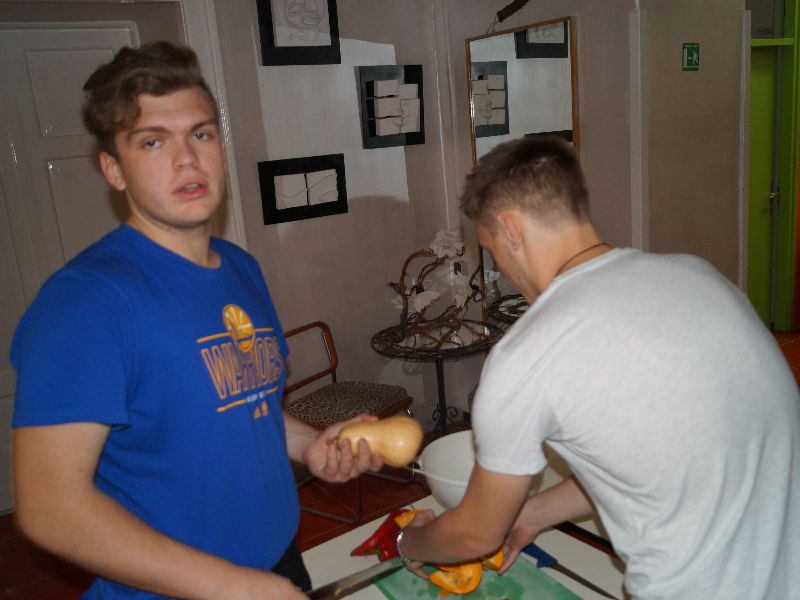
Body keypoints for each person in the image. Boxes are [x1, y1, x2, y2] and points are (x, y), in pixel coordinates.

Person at [11, 41, 383, 600]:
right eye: (153, 141)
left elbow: (246, 408)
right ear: (113, 169)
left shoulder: (240, 267)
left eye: (201, 134)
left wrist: (308, 444)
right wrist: (237, 588)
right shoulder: (84, 302)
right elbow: (51, 509)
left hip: (276, 563)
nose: (187, 159)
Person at [396, 136, 800, 599]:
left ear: (510, 229)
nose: (501, 268)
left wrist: (412, 543)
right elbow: (652, 463)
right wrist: (531, 514)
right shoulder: (701, 277)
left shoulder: (526, 356)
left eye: (491, 250)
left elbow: (474, 536)